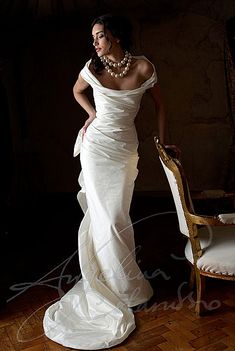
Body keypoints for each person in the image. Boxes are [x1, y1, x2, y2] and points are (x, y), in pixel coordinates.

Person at [43, 13, 178, 350]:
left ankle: (124, 283)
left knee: (117, 215)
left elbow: (161, 106)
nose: (95, 43)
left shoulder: (144, 67)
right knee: (107, 218)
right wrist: (92, 116)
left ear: (116, 36)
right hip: (96, 147)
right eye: (94, 38)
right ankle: (127, 289)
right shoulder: (93, 68)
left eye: (100, 36)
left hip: (124, 150)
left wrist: (161, 141)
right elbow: (77, 91)